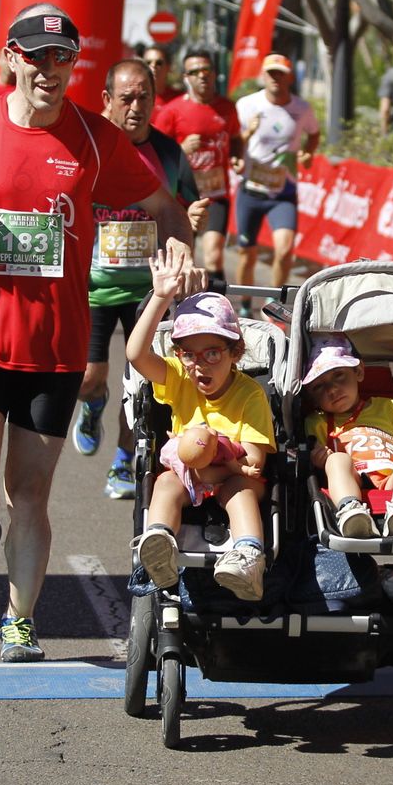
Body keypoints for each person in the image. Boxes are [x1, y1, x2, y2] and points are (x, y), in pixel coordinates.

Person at [0, 3, 195, 661]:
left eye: (62, 58)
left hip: (55, 346)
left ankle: (20, 619)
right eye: (36, 56)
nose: (49, 70)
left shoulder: (94, 138)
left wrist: (180, 250)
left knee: (30, 492)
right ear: (11, 58)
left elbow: (163, 205)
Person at [73, 58, 209, 501]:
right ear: (107, 101)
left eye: (144, 97)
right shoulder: (88, 148)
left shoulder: (169, 153)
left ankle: (122, 461)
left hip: (147, 289)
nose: (135, 107)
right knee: (90, 376)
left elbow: (186, 204)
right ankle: (92, 404)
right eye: (126, 98)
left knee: (144, 380)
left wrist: (191, 226)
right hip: (93, 285)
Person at [127, 255, 273, 602]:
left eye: (212, 354)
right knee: (164, 482)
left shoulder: (250, 393)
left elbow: (253, 462)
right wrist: (161, 296)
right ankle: (159, 545)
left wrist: (216, 459)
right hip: (186, 474)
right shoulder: (178, 378)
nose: (198, 364)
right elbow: (135, 353)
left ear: (235, 353)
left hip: (231, 476)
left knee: (240, 490)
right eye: (189, 354)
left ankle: (249, 555)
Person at [302, 334, 393, 539]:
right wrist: (318, 457)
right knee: (336, 459)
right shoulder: (317, 421)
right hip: (351, 478)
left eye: (339, 375)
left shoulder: (392, 408)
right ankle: (350, 509)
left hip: (392, 480)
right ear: (313, 397)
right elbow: (313, 449)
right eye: (320, 386)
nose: (333, 389)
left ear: (359, 372)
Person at [232, 53, 318, 316]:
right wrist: (241, 146)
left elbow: (313, 134)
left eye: (281, 73)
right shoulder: (247, 105)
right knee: (247, 254)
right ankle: (246, 304)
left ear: (289, 77)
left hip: (284, 192)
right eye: (271, 73)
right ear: (263, 75)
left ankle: (274, 303)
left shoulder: (302, 108)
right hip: (251, 190)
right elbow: (234, 141)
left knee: (284, 249)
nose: (276, 78)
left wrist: (307, 153)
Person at [153, 47, 242, 278]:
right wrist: (181, 150)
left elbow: (235, 138)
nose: (202, 75)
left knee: (213, 254)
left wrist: (237, 156)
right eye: (195, 71)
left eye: (206, 70)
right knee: (184, 258)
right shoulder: (172, 111)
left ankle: (216, 307)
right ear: (186, 78)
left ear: (214, 74)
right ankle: (182, 307)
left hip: (215, 196)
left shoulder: (227, 108)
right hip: (182, 197)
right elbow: (154, 154)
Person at [142, 47, 182, 127]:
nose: (153, 66)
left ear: (168, 67)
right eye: (148, 62)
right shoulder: (134, 99)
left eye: (159, 63)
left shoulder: (180, 98)